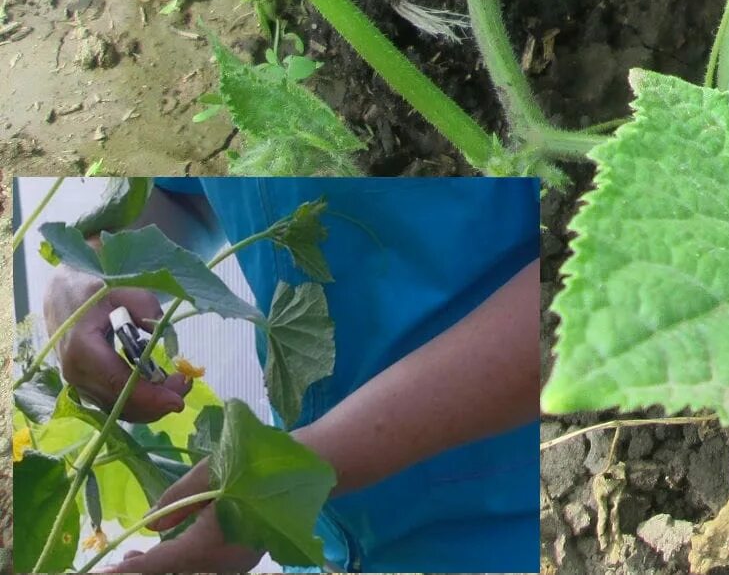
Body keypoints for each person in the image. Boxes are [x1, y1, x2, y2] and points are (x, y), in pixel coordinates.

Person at [41, 177, 540, 573]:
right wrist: (90, 265)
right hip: (325, 540)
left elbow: (587, 308)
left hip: (516, 533)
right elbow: (191, 199)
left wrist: (286, 480)